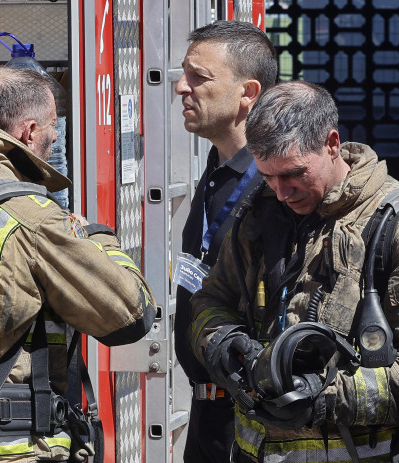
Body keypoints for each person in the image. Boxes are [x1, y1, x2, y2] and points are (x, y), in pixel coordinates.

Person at [189, 80, 399, 462]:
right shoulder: (261, 216)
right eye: (268, 176)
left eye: (294, 173)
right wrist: (226, 344)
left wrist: (323, 399)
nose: (282, 191)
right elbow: (211, 299)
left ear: (332, 144)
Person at [0, 66, 156, 461]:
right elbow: (132, 315)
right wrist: (97, 237)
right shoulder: (33, 217)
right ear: (29, 132)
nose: (54, 137)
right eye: (53, 127)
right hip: (7, 447)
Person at [173, 20, 277, 463]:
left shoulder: (274, 189)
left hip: (251, 421)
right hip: (207, 417)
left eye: (200, 77)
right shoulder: (217, 170)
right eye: (184, 73)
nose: (181, 87)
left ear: (247, 93)